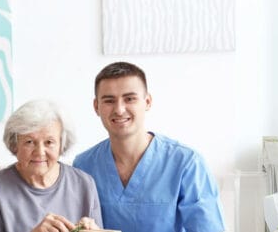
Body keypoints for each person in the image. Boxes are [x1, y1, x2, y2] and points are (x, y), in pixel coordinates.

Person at [72, 61, 225, 232]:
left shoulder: (187, 164)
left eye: (130, 99)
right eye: (109, 101)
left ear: (147, 102)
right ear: (96, 107)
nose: (119, 109)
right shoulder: (83, 166)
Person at [0, 99, 103, 232]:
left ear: (61, 145)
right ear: (15, 145)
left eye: (49, 142)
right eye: (29, 142)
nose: (40, 152)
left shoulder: (84, 184)